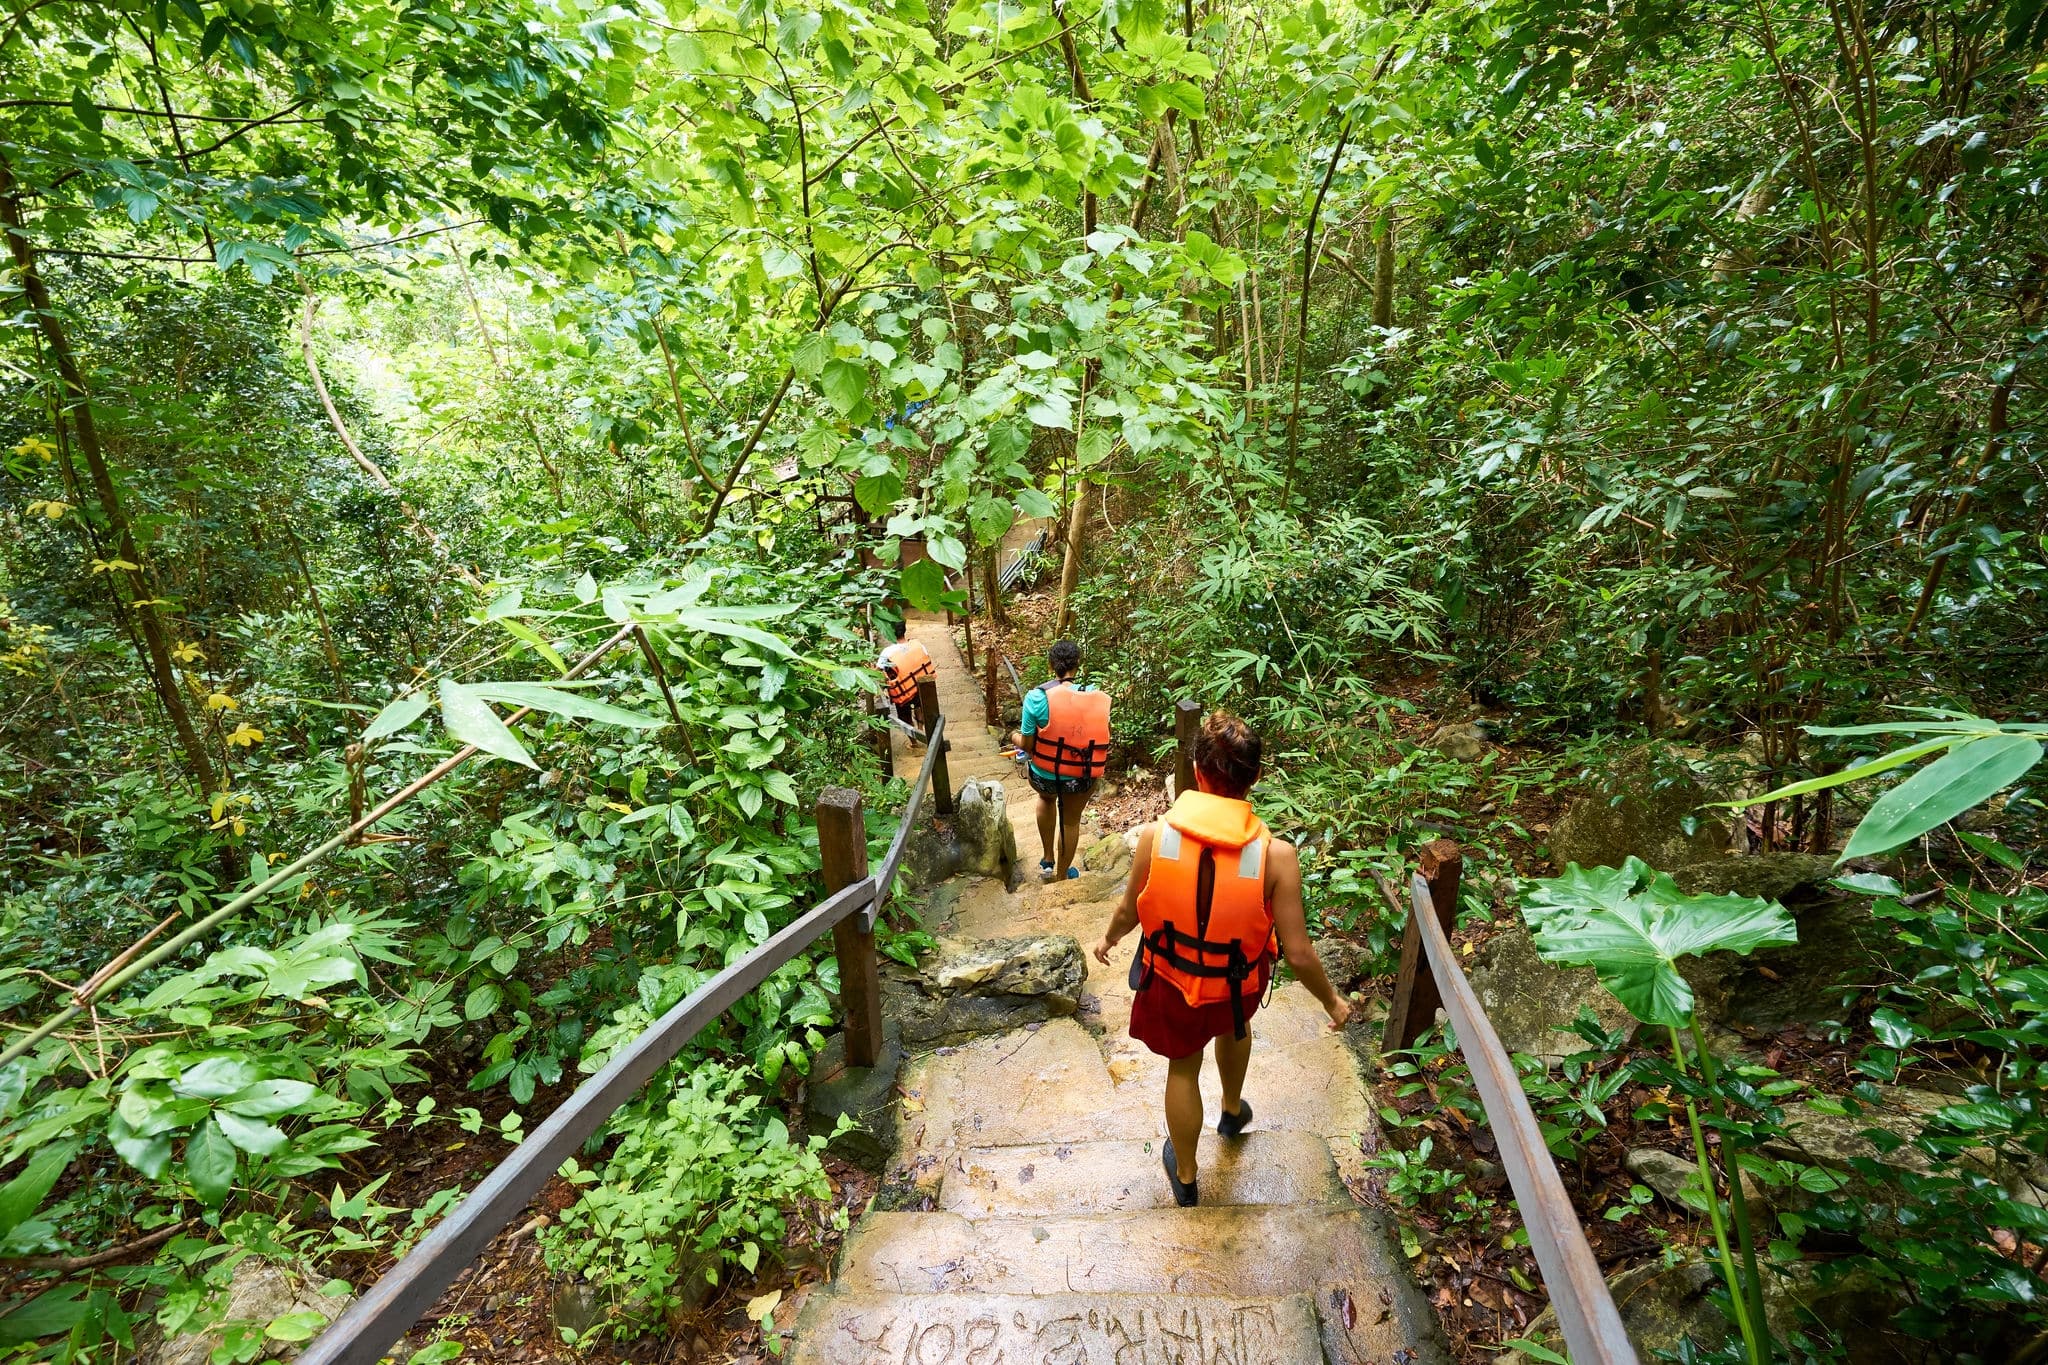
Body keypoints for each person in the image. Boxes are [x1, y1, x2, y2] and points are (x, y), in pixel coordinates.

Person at [1091, 711, 1351, 1207]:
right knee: (1235, 1025)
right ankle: (1232, 1110)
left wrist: (1108, 939)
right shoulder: (1277, 857)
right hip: (1236, 986)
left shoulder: (1155, 837)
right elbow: (1297, 951)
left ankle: (1187, 1177)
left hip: (1171, 979)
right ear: (1254, 777)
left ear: (1196, 770)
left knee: (1183, 1069)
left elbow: (1129, 908)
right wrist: (1332, 1003)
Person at [1013, 640, 1109, 881]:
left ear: (1050, 666)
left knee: (1046, 799)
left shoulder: (1036, 697)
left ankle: (1047, 859)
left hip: (1044, 775)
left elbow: (1026, 745)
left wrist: (1013, 736)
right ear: (1077, 665)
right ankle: (1062, 876)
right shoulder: (1093, 694)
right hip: (1080, 778)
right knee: (1070, 821)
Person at [876, 637, 934, 735]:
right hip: (918, 686)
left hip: (902, 691)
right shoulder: (918, 645)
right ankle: (920, 730)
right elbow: (926, 658)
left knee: (904, 716)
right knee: (919, 706)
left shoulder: (887, 652)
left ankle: (913, 742)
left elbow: (878, 670)